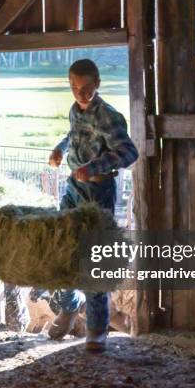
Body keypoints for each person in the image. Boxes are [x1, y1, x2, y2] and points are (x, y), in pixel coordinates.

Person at [46, 59, 138, 352]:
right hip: (73, 188)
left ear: (97, 83)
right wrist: (60, 150)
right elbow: (73, 135)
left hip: (98, 191)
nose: (80, 94)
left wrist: (94, 165)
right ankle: (69, 305)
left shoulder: (109, 116)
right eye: (74, 88)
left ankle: (97, 330)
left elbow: (129, 152)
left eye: (86, 88)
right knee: (62, 246)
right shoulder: (75, 110)